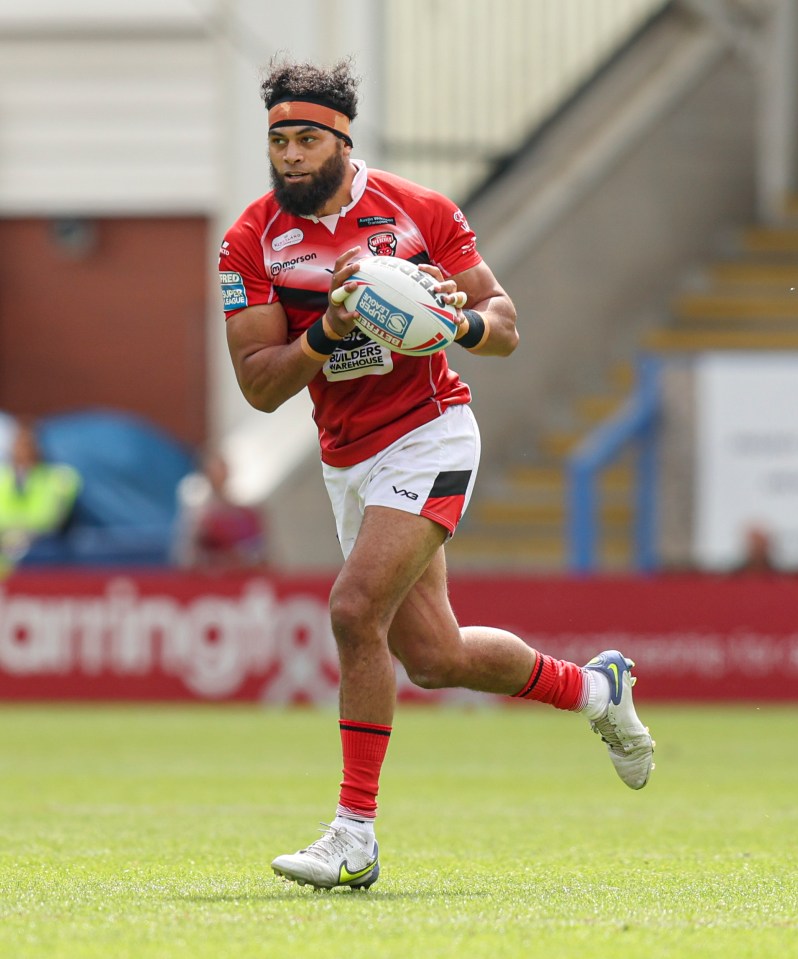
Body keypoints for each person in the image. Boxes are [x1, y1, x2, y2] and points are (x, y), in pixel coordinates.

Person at [220, 57, 655, 891]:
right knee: (435, 656)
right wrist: (328, 330)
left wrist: (451, 319)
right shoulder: (250, 241)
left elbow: (504, 323)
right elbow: (261, 383)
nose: (290, 156)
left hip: (430, 433)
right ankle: (596, 690)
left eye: (306, 138)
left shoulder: (418, 212)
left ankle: (353, 836)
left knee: (353, 610)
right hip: (346, 455)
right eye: (278, 140)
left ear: (342, 141)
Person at [0, 418, 81, 573]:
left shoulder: (59, 479)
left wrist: (20, 528)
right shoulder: (3, 478)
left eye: (29, 444)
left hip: (44, 553)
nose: (23, 450)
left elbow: (49, 519)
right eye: (19, 443)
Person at [174, 449, 266, 571]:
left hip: (244, 577)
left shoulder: (246, 513)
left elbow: (262, 552)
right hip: (214, 581)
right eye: (216, 468)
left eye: (223, 467)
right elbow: (186, 556)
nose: (221, 473)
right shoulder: (198, 515)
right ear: (206, 473)